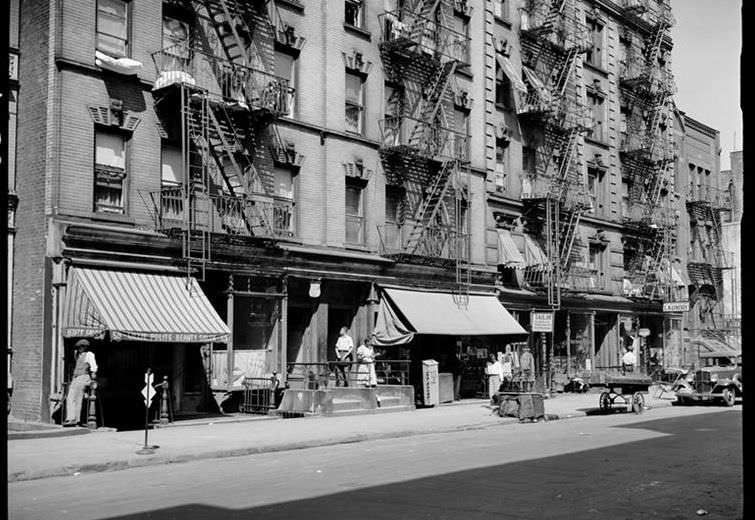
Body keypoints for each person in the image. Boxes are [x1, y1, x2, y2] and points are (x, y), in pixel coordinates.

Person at [63, 339, 98, 427]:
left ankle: (75, 419)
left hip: (83, 377)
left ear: (85, 347)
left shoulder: (89, 355)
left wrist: (93, 374)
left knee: (77, 398)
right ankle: (71, 418)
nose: (79, 349)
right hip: (76, 377)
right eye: (78, 347)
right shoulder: (77, 355)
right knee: (71, 397)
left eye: (81, 347)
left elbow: (93, 366)